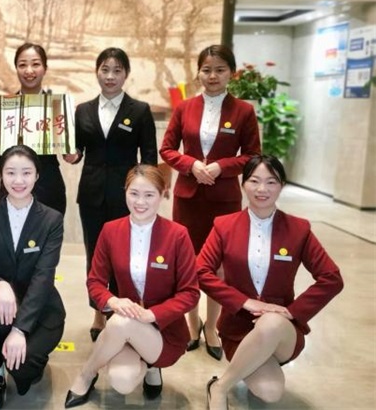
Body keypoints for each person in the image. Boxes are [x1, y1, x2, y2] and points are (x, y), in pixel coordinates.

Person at [197, 155, 343, 410]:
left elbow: (332, 278)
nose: (262, 189)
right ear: (243, 184)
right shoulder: (224, 226)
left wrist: (292, 312)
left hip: (283, 333)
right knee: (270, 392)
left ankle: (220, 386)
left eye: (271, 182)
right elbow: (200, 271)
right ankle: (238, 371)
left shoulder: (298, 229)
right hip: (238, 329)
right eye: (254, 181)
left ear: (281, 186)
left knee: (272, 322)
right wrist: (244, 301)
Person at [64, 165, 199, 408]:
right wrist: (112, 301)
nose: (140, 202)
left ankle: (86, 374)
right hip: (124, 327)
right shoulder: (111, 230)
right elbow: (95, 281)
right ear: (124, 192)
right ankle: (145, 364)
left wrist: (152, 314)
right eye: (134, 193)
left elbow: (190, 293)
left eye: (149, 195)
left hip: (164, 331)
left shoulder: (178, 235)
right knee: (122, 382)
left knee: (119, 322)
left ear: (163, 194)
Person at [160, 44, 261, 360]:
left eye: (219, 69)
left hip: (224, 200)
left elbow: (252, 155)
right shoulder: (184, 108)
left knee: (218, 265)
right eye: (206, 70)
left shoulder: (243, 111)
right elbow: (167, 149)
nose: (212, 76)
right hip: (188, 199)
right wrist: (190, 164)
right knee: (187, 262)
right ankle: (193, 324)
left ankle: (213, 327)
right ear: (199, 73)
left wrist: (221, 167)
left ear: (231, 73)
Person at [63, 47, 157, 341]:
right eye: (105, 69)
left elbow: (149, 158)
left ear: (126, 74)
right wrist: (71, 155)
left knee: (124, 256)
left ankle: (123, 311)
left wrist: (145, 193)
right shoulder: (83, 110)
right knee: (95, 255)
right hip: (91, 194)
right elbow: (77, 150)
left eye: (117, 70)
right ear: (97, 72)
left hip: (128, 197)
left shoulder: (139, 110)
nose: (110, 76)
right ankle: (99, 312)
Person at [0, 145, 65, 409]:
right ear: (1, 175)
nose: (18, 180)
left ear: (37, 175)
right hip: (2, 306)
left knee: (23, 371)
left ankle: (27, 357)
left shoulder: (51, 220)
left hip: (41, 306)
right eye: (11, 172)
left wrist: (19, 329)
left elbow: (44, 277)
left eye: (26, 172)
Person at [9, 42, 66, 214]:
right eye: (22, 65)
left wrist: (74, 154)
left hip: (49, 187)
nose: (29, 71)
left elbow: (72, 151)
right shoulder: (4, 107)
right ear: (16, 68)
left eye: (35, 64)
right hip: (13, 188)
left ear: (45, 68)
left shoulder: (58, 107)